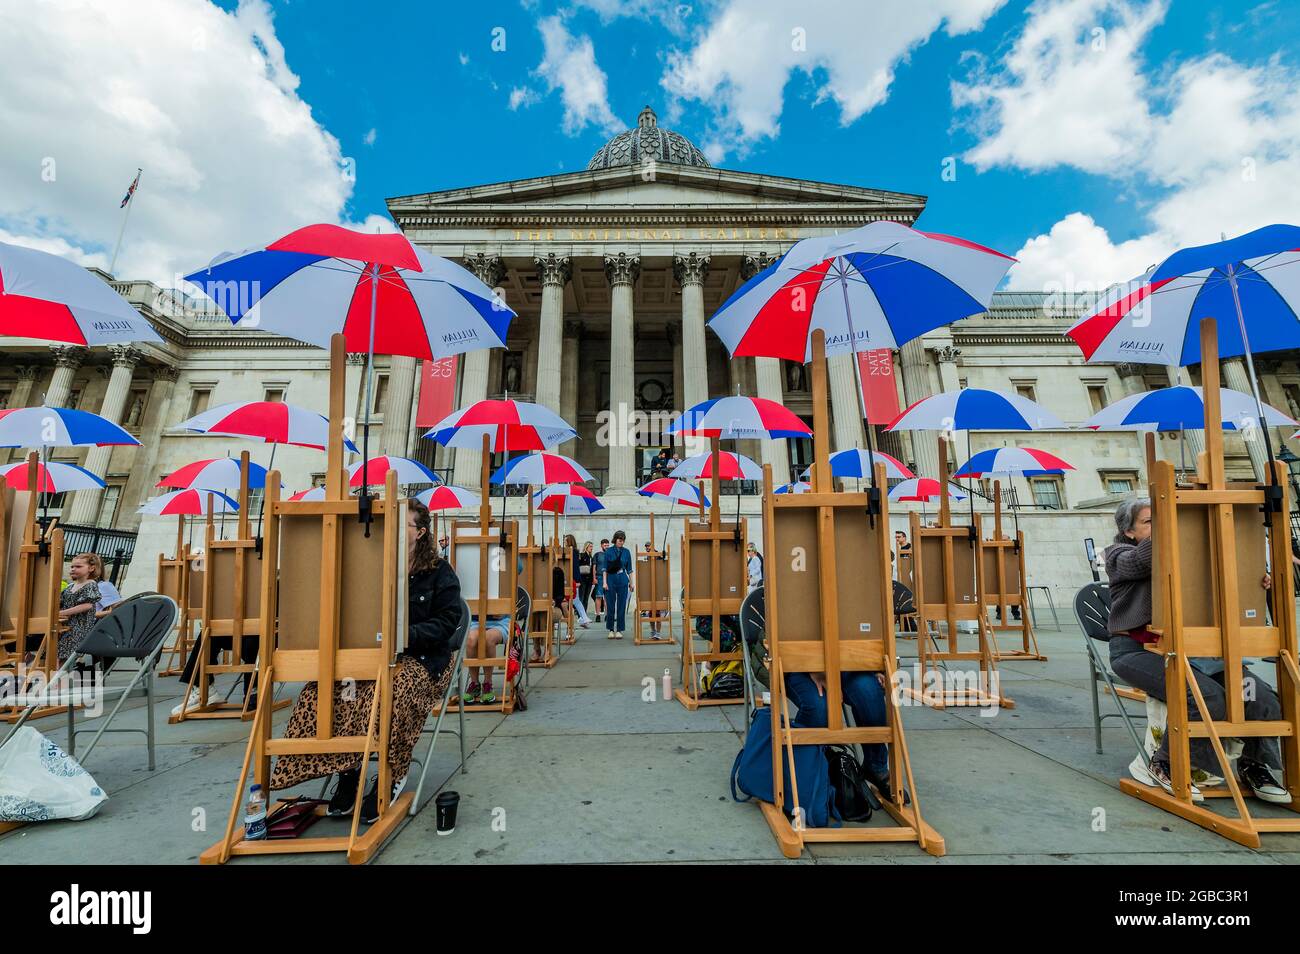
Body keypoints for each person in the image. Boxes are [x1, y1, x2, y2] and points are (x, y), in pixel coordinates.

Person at [269, 498, 462, 822]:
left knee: (391, 691)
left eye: (403, 525)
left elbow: (447, 622)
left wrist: (403, 634)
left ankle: (392, 772)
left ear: (420, 532)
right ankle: (348, 770)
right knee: (326, 691)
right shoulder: (371, 565)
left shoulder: (439, 571)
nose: (394, 530)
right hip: (368, 657)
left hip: (421, 660)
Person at [1105, 497, 1287, 803]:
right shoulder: (1118, 554)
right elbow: (1143, 560)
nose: (1161, 526)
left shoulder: (1193, 554)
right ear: (1129, 532)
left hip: (1198, 653)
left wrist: (1252, 579)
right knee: (1205, 696)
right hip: (1138, 652)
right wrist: (1184, 527)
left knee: (1259, 696)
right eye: (1150, 522)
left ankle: (1254, 765)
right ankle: (1167, 763)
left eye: (1166, 520)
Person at [57, 553, 102, 663]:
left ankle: (66, 672)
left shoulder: (90, 584)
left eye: (78, 566)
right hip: (66, 626)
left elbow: (87, 605)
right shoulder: (70, 586)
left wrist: (63, 612)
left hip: (78, 627)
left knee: (68, 656)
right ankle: (60, 672)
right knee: (60, 655)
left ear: (91, 568)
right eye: (72, 566)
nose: (73, 569)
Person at [602, 530, 633, 639]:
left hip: (623, 579)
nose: (621, 542)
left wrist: (632, 583)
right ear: (615, 540)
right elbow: (604, 568)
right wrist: (604, 582)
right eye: (620, 540)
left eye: (623, 540)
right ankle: (611, 629)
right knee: (610, 605)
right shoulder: (608, 551)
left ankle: (619, 629)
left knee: (621, 605)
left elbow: (630, 569)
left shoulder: (627, 552)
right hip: (610, 578)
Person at [592, 539, 610, 621]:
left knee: (607, 597)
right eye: (605, 545)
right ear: (601, 545)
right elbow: (594, 567)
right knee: (598, 596)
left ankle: (607, 615)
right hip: (599, 577)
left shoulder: (610, 555)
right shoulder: (597, 555)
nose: (606, 547)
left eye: (607, 545)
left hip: (609, 578)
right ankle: (598, 615)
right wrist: (594, 578)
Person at [577, 541, 595, 611]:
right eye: (590, 546)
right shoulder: (581, 555)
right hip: (583, 579)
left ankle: (584, 612)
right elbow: (578, 567)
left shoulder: (591, 557)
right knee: (581, 596)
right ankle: (580, 613)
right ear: (586, 547)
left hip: (589, 580)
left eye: (592, 547)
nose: (591, 548)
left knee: (586, 597)